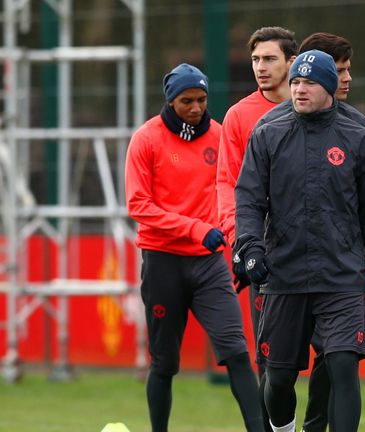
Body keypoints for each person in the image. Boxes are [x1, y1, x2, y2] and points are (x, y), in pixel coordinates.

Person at [234, 49, 365, 432]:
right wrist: (250, 247)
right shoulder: (268, 131)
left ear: (328, 87)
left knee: (343, 365)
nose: (299, 90)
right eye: (295, 82)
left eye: (309, 82)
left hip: (340, 275)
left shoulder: (358, 133)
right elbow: (249, 198)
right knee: (277, 381)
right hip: (283, 275)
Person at [125, 63, 262, 432]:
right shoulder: (147, 139)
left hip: (209, 264)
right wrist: (195, 228)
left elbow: (235, 191)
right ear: (170, 100)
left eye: (202, 99)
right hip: (163, 262)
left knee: (236, 353)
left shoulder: (220, 136)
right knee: (164, 364)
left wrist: (236, 247)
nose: (196, 108)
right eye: (187, 100)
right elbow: (138, 205)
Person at [215, 26, 298, 432]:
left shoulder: (315, 106)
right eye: (255, 60)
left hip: (321, 255)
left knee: (334, 358)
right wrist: (239, 241)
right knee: (271, 360)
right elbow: (227, 184)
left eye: (269, 59)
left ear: (292, 62)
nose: (260, 68)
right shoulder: (239, 116)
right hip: (264, 253)